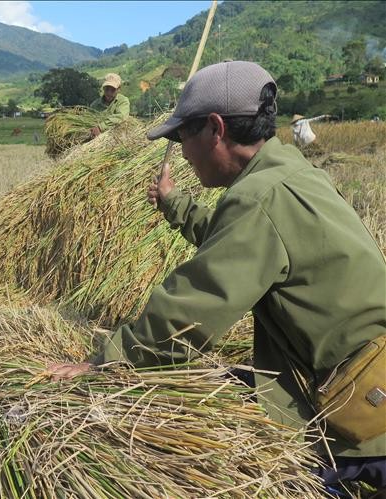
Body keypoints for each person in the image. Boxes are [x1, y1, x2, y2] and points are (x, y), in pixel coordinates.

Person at [50, 61, 386, 492]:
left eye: (182, 136)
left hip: (362, 422)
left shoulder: (258, 197)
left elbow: (194, 304)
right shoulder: (291, 175)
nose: (183, 153)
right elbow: (238, 244)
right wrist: (175, 206)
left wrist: (104, 361)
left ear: (215, 128)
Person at [89, 73, 130, 138]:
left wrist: (100, 127)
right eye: (107, 89)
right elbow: (89, 121)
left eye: (113, 89)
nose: (109, 93)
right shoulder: (94, 105)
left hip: (117, 137)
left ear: (119, 89)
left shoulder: (123, 101)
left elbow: (121, 117)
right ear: (103, 88)